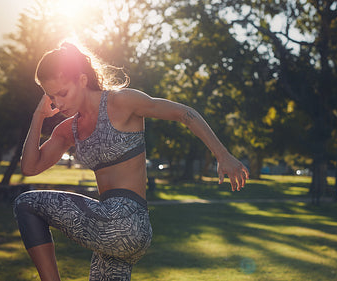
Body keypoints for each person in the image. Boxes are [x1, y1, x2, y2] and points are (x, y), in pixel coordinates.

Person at [13, 41, 249, 281]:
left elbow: (183, 113)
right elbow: (30, 167)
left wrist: (223, 155)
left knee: (27, 204)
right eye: (51, 97)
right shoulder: (68, 130)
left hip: (127, 221)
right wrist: (38, 116)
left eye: (62, 93)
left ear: (82, 80)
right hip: (113, 230)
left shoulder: (121, 102)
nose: (58, 103)